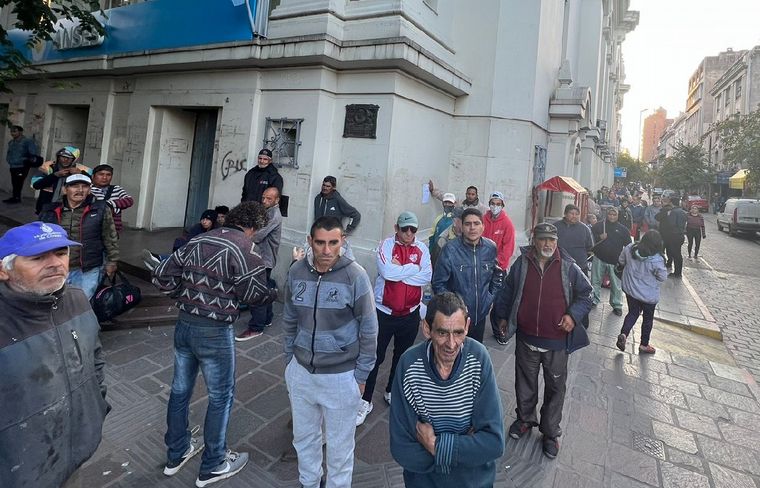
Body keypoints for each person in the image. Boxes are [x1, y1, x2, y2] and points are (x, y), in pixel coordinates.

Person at [152, 201, 276, 487]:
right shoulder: (246, 249)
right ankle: (214, 463)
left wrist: (184, 294)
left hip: (184, 325)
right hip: (215, 331)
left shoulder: (198, 239)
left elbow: (162, 276)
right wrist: (273, 292)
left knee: (180, 391)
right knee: (221, 397)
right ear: (253, 227)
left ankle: (177, 452)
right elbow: (254, 295)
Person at [0, 222, 109, 488]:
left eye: (61, 253)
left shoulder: (77, 299)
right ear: (3, 270)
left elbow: (95, 359)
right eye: (37, 257)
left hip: (73, 455)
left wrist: (97, 406)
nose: (55, 264)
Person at [282, 216, 378, 488]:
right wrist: (289, 362)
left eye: (333, 243)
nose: (326, 250)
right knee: (304, 439)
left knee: (339, 448)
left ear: (342, 241)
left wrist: (361, 376)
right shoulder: (296, 271)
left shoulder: (355, 275)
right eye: (320, 243)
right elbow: (289, 318)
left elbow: (369, 329)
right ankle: (309, 483)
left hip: (340, 377)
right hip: (301, 372)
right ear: (310, 241)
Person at [491, 223, 592, 459]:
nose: (548, 244)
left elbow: (587, 294)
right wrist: (502, 316)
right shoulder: (522, 263)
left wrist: (572, 316)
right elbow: (507, 290)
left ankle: (550, 432)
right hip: (526, 338)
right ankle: (525, 419)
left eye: (552, 240)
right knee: (525, 382)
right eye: (543, 239)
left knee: (555, 388)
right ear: (534, 241)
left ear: (557, 241)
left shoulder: (568, 266)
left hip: (556, 341)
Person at [389, 292, 504, 487]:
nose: (451, 344)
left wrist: (434, 445)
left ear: (467, 327)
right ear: (427, 329)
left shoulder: (478, 359)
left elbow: (494, 443)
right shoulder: (409, 366)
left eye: (458, 333)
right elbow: (402, 449)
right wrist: (466, 451)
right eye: (442, 333)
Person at [356, 211, 432, 426]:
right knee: (374, 357)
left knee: (402, 357)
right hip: (384, 314)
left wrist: (401, 270)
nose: (408, 233)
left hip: (410, 314)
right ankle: (364, 400)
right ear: (396, 228)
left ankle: (392, 390)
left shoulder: (422, 248)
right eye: (404, 228)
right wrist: (413, 269)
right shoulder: (386, 245)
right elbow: (387, 273)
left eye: (413, 229)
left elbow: (426, 276)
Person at [39, 174, 118, 299]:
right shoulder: (50, 211)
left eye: (84, 186)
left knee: (82, 302)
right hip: (56, 267)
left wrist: (112, 261)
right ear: (65, 189)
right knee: (55, 302)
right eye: (74, 186)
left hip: (88, 268)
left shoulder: (100, 209)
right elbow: (39, 239)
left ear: (89, 190)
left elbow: (110, 236)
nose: (80, 190)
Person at [432, 208, 498, 344]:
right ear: (461, 226)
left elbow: (495, 276)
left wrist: (489, 298)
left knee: (474, 352)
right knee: (453, 352)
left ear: (483, 226)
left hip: (480, 318)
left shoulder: (490, 248)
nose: (472, 228)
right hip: (456, 318)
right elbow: (438, 283)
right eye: (468, 224)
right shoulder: (450, 249)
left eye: (476, 223)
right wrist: (454, 307)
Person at [236, 187, 283, 341]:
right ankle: (267, 318)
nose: (264, 201)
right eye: (263, 197)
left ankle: (256, 327)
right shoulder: (267, 211)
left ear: (277, 200)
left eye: (269, 198)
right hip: (263, 258)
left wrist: (240, 235)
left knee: (256, 293)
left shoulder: (274, 215)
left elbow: (257, 236)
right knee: (265, 289)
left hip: (264, 259)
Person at [615, 230, 668, 355]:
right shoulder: (657, 259)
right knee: (647, 319)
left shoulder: (630, 248)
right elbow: (662, 277)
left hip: (631, 290)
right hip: (648, 295)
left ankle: (624, 334)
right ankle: (644, 345)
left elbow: (621, 261)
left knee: (633, 313)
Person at [590, 207, 631, 315]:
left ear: (618, 215)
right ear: (606, 214)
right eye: (610, 214)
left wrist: (627, 260)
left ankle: (616, 305)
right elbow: (590, 239)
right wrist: (599, 237)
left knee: (616, 284)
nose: (612, 217)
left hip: (615, 261)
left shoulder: (623, 229)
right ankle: (594, 300)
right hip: (599, 258)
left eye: (614, 215)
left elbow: (628, 246)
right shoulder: (599, 226)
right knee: (595, 281)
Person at [31, 146, 90, 214]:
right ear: (58, 157)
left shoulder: (82, 169)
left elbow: (94, 184)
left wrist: (81, 173)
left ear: (74, 160)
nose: (65, 160)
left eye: (69, 158)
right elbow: (36, 185)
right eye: (63, 157)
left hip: (70, 210)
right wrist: (55, 175)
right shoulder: (47, 166)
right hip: (46, 208)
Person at [89, 163, 134, 235]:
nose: (104, 177)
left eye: (108, 175)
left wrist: (109, 204)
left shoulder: (116, 189)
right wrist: (115, 207)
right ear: (93, 176)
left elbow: (129, 201)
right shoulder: (88, 190)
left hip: (113, 231)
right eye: (101, 174)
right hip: (92, 229)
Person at [556, 204, 594, 275]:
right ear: (565, 214)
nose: (574, 216)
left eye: (577, 214)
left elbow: (589, 247)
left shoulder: (584, 229)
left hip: (579, 265)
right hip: (560, 264)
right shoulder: (556, 226)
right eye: (572, 213)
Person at [4, 125, 38, 204]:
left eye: (14, 131)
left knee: (19, 182)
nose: (12, 133)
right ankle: (14, 197)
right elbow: (9, 152)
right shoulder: (11, 142)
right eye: (11, 131)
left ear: (20, 132)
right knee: (14, 182)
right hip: (13, 166)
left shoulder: (27, 141)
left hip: (22, 166)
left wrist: (25, 159)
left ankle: (17, 198)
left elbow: (33, 153)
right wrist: (8, 160)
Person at [483, 190, 516, 270]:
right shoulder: (482, 220)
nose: (495, 206)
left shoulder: (507, 224)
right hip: (482, 264)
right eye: (493, 203)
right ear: (489, 204)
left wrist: (497, 261)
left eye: (498, 204)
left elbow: (508, 248)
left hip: (499, 266)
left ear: (502, 206)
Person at [656, 196, 687, 277]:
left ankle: (677, 273)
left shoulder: (673, 212)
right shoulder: (683, 211)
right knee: (678, 254)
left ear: (671, 203)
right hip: (681, 235)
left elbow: (671, 224)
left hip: (674, 235)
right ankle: (678, 271)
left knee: (676, 255)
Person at [428, 192, 457, 266]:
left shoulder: (457, 220)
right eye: (445, 202)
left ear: (454, 204)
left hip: (451, 255)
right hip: (436, 253)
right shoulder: (438, 218)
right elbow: (431, 236)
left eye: (450, 203)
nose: (447, 204)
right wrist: (430, 252)